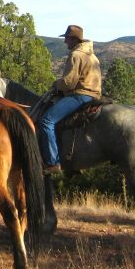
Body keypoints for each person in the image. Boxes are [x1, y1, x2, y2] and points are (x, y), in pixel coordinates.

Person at [38, 24, 102, 174]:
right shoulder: (93, 56)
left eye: (66, 38)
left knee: (46, 121)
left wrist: (56, 84)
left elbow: (68, 83)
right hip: (94, 95)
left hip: (80, 95)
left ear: (73, 39)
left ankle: (53, 162)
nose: (65, 41)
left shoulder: (76, 55)